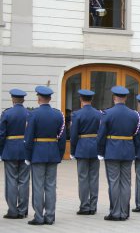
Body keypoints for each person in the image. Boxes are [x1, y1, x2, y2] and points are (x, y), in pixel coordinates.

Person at [97, 86, 140, 221]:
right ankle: (124, 212)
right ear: (125, 98)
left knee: (114, 182)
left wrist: (100, 152)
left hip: (112, 151)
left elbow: (101, 135)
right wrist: (135, 151)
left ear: (114, 98)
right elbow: (138, 136)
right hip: (128, 151)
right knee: (126, 183)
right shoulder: (134, 114)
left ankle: (115, 212)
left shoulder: (107, 114)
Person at [24, 86, 66, 225]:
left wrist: (28, 156)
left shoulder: (33, 114)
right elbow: (62, 137)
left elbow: (29, 137)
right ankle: (50, 216)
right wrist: (59, 155)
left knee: (38, 186)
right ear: (50, 98)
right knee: (51, 186)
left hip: (38, 154)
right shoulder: (58, 114)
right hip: (53, 153)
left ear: (39, 98)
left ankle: (39, 217)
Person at [70, 89, 102, 215]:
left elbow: (73, 135)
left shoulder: (77, 114)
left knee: (83, 178)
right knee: (94, 178)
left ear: (81, 100)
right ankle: (93, 206)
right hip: (95, 147)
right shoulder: (99, 114)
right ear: (91, 100)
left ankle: (84, 206)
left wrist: (72, 151)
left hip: (82, 147)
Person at [0, 89, 29, 219]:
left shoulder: (6, 114)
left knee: (11, 181)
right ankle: (22, 210)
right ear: (23, 100)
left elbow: (1, 135)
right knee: (24, 181)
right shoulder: (29, 113)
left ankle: (12, 211)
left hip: (10, 149)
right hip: (25, 150)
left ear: (12, 99)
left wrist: (1, 151)